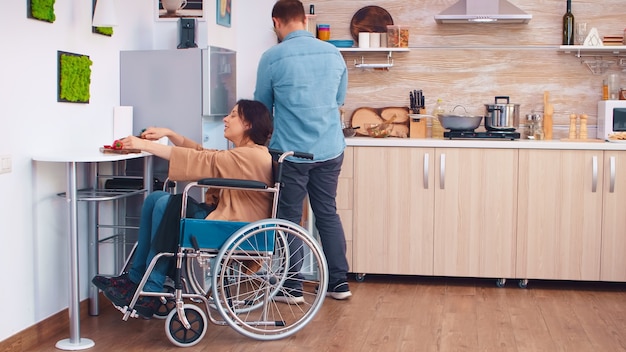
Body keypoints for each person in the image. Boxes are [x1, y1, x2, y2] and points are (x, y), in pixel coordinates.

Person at [92, 99, 274, 318]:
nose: (226, 119)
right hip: (226, 220)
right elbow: (203, 153)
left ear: (248, 124)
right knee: (155, 198)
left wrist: (145, 145)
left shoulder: (251, 155)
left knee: (168, 203)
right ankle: (136, 277)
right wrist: (170, 134)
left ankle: (152, 286)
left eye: (233, 115)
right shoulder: (245, 152)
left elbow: (204, 159)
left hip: (236, 228)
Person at [254, 0, 351, 303]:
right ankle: (338, 283)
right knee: (327, 214)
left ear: (276, 21)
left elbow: (261, 107)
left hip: (290, 153)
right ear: (305, 20)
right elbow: (339, 99)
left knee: (288, 219)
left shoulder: (272, 57)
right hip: (329, 148)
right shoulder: (334, 53)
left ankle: (291, 287)